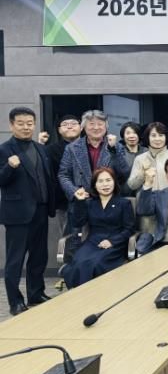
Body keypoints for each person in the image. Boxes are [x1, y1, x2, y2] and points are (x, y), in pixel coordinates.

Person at [0, 107, 56, 316]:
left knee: (39, 256)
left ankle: (36, 293)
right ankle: (15, 302)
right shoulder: (4, 149)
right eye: (21, 123)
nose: (26, 127)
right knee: (15, 260)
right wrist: (9, 167)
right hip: (18, 214)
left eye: (30, 123)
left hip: (41, 210)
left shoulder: (40, 148)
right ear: (11, 125)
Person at [60, 167, 135, 288]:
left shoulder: (123, 203)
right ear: (95, 185)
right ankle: (78, 295)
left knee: (95, 264)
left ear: (114, 182)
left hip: (115, 244)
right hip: (92, 242)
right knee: (78, 262)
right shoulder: (90, 203)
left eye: (108, 180)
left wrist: (112, 241)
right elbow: (77, 223)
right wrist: (79, 202)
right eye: (100, 181)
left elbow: (129, 229)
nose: (105, 184)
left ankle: (93, 295)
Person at [58, 109, 131, 201]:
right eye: (91, 124)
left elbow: (124, 173)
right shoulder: (72, 148)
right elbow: (63, 175)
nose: (96, 127)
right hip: (82, 200)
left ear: (106, 127)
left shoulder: (116, 146)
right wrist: (74, 191)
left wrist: (113, 150)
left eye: (100, 124)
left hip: (109, 200)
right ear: (83, 127)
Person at [127, 122, 168, 233]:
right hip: (146, 208)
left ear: (166, 137)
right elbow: (132, 185)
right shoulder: (140, 159)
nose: (157, 139)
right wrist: (143, 173)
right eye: (153, 135)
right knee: (148, 238)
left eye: (161, 135)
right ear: (148, 137)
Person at [45, 114, 82, 236]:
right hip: (63, 202)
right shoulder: (50, 150)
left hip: (90, 200)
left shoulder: (90, 145)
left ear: (81, 127)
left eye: (73, 124)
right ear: (59, 130)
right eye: (65, 125)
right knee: (68, 238)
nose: (69, 127)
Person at [119, 121, 146, 197]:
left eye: (134, 133)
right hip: (123, 194)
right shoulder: (118, 153)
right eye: (128, 133)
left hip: (143, 195)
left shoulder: (146, 152)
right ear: (123, 136)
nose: (131, 136)